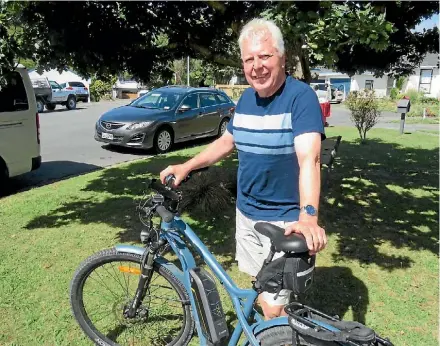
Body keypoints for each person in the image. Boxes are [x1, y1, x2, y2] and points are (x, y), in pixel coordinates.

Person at [160, 18, 327, 319]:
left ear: (282, 58)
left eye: (265, 56)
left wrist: (308, 216)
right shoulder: (247, 99)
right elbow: (227, 142)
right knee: (261, 286)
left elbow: (310, 159)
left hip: (283, 220)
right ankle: (269, 329)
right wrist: (187, 165)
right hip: (246, 213)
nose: (256, 66)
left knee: (276, 307)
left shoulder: (300, 98)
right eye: (249, 59)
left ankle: (276, 334)